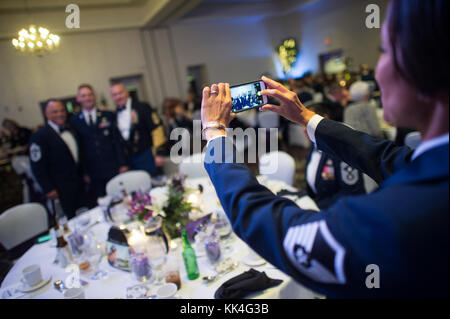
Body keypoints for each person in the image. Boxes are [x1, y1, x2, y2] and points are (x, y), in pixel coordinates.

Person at [200, 0, 448, 298]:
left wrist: (215, 133)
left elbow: (273, 226)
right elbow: (387, 157)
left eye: (384, 50)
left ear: (425, 65)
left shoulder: (403, 215)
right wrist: (306, 117)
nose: (375, 73)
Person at [70, 84, 129, 201]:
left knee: (121, 198)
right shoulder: (74, 121)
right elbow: (79, 148)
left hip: (113, 166)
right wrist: (84, 172)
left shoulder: (107, 115)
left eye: (89, 94)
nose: (87, 98)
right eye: (83, 95)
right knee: (102, 201)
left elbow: (117, 141)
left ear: (94, 96)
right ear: (78, 99)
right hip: (93, 172)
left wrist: (123, 163)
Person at [304, 103, 366, 209]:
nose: (304, 129)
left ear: (324, 119)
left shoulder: (340, 146)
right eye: (301, 123)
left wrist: (315, 207)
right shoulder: (314, 142)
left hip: (343, 213)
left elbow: (351, 192)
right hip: (321, 206)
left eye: (307, 122)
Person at [29, 100, 83, 219]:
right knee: (69, 219)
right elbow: (37, 167)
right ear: (47, 114)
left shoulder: (71, 129)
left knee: (83, 214)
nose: (60, 114)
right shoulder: (39, 136)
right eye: (55, 111)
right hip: (60, 188)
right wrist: (48, 188)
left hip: (78, 183)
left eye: (62, 110)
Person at [110, 82, 167, 177]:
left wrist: (159, 153)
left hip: (147, 155)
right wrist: (123, 163)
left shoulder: (142, 107)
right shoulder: (114, 114)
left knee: (153, 183)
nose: (118, 97)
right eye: (114, 95)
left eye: (120, 93)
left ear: (126, 93)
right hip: (129, 160)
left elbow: (157, 129)